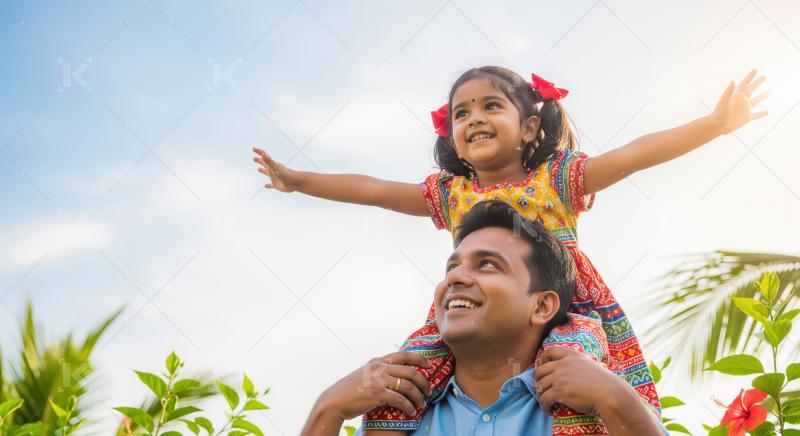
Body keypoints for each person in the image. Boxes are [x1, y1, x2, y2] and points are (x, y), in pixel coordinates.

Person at [253, 65, 768, 433]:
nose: (474, 117)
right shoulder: (452, 195)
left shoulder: (557, 178)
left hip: (566, 306)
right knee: (403, 377)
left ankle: (578, 425)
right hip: (477, 310)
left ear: (528, 128)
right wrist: (300, 181)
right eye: (461, 113)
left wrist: (715, 125)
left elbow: (632, 157)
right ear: (453, 139)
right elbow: (373, 190)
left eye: (491, 105)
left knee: (571, 370)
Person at [300, 200, 667, 436]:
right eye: (452, 267)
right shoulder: (396, 413)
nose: (456, 278)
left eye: (488, 265)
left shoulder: (591, 408)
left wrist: (617, 399)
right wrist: (327, 410)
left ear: (541, 306)